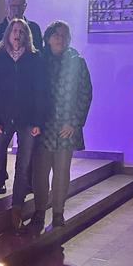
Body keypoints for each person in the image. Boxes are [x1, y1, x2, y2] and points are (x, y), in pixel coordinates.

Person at [0, 19, 50, 231]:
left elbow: (41, 91)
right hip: (1, 118)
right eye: (14, 30)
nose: (17, 34)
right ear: (8, 34)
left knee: (23, 166)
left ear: (27, 35)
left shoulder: (35, 59)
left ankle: (17, 207)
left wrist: (38, 120)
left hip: (27, 119)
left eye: (21, 31)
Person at [30, 21, 92, 232]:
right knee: (40, 173)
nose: (60, 39)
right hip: (43, 127)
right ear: (47, 38)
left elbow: (85, 93)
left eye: (64, 35)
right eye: (56, 35)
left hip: (67, 128)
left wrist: (74, 122)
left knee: (62, 172)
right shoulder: (39, 61)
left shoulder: (77, 62)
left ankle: (58, 213)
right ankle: (39, 212)